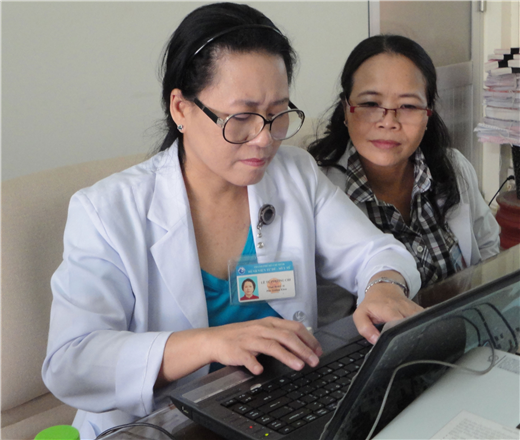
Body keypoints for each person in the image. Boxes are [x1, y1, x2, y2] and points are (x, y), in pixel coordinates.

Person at [42, 6, 422, 438]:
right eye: (241, 118)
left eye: (278, 114)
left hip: (276, 409)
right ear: (181, 108)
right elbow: (70, 362)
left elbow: (376, 252)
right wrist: (212, 342)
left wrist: (383, 287)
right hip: (159, 428)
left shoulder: (295, 174)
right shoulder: (107, 210)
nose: (264, 139)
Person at [309, 35, 500, 288]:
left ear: (428, 113)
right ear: (346, 108)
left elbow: (487, 246)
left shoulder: (454, 167)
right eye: (370, 103)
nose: (388, 122)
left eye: (408, 106)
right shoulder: (315, 188)